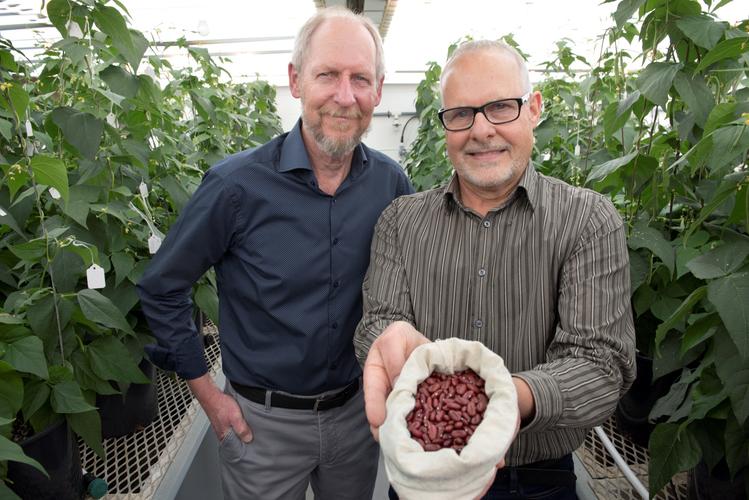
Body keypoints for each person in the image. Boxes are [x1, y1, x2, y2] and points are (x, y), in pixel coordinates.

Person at [137, 7, 413, 499]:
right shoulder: (235, 187)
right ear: (296, 80)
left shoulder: (391, 185)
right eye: (328, 75)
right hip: (260, 425)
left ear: (378, 88)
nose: (345, 96)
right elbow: (163, 287)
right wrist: (208, 396)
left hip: (356, 417)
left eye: (361, 79)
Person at [354, 40, 635, 500]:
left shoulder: (587, 220)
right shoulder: (400, 222)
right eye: (461, 114)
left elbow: (602, 363)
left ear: (534, 109)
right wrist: (387, 339)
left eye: (501, 107)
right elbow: (378, 322)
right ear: (443, 124)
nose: (481, 130)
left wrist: (507, 398)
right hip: (425, 467)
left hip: (538, 477)